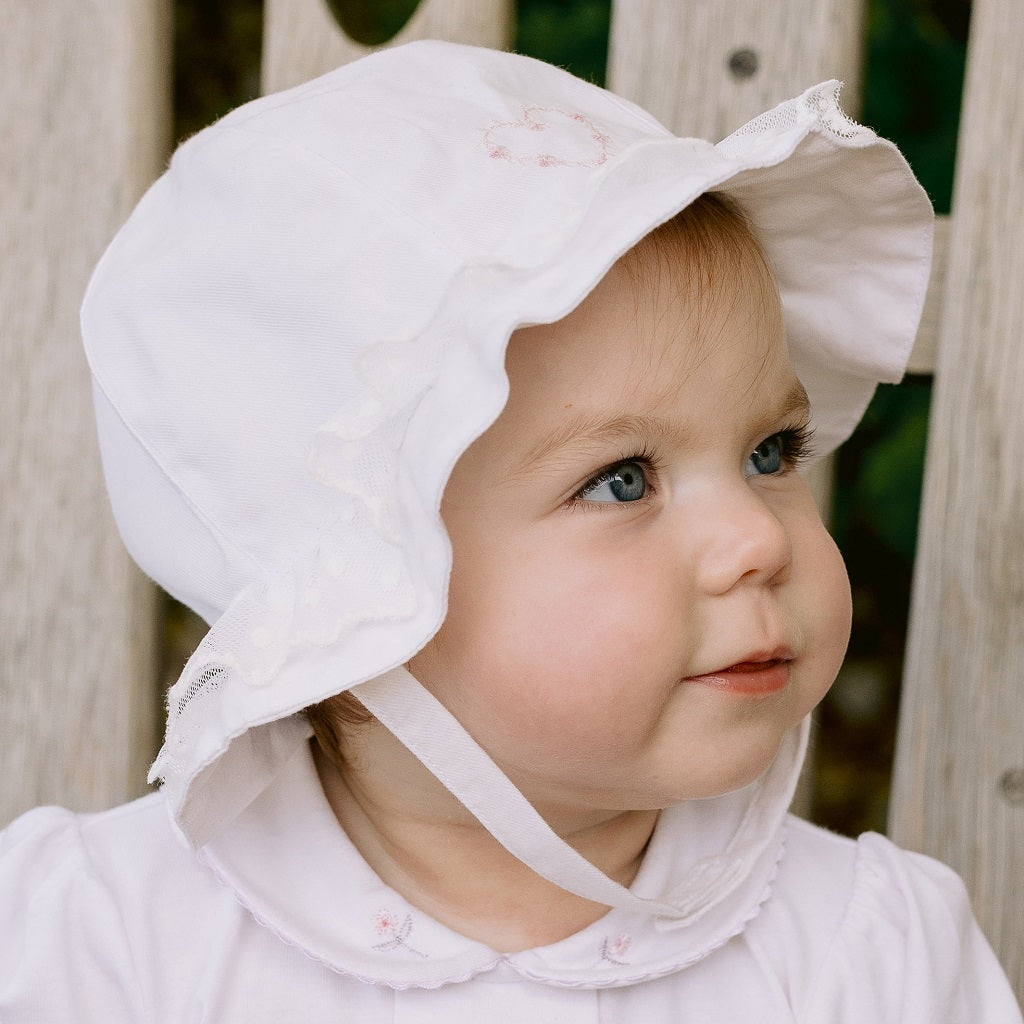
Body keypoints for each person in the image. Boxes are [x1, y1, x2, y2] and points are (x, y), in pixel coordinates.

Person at [0, 39, 1019, 1021]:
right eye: (622, 480)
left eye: (770, 452)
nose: (756, 537)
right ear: (353, 590)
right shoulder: (100, 943)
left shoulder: (869, 956)